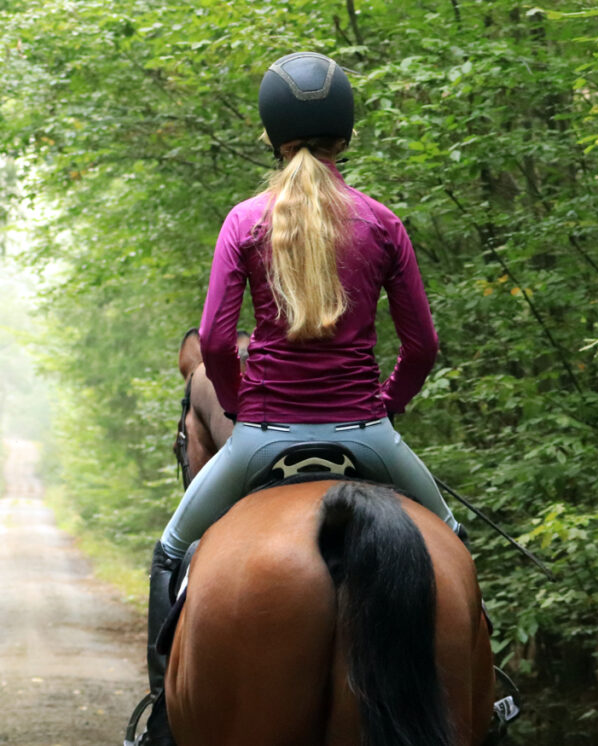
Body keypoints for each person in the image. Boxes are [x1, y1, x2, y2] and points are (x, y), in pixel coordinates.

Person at [134, 51, 463, 745]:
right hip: (369, 433)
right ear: (346, 136)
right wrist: (385, 407)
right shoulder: (382, 223)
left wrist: (243, 403)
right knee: (453, 548)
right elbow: (423, 346)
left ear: (270, 137)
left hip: (262, 435)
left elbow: (218, 342)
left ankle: (163, 713)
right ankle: (486, 702)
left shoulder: (245, 221)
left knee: (171, 548)